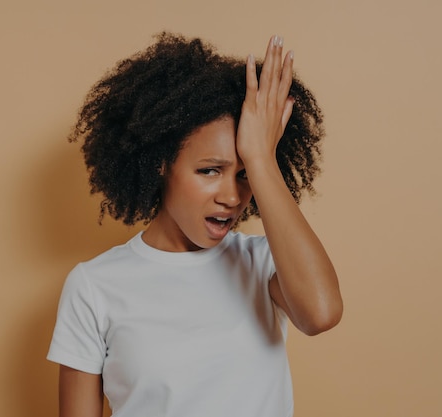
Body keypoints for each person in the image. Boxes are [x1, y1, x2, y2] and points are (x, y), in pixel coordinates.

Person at [48, 32, 343, 417]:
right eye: (209, 170)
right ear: (161, 162)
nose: (232, 197)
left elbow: (321, 313)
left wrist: (261, 158)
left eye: (243, 175)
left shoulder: (264, 264)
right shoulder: (94, 286)